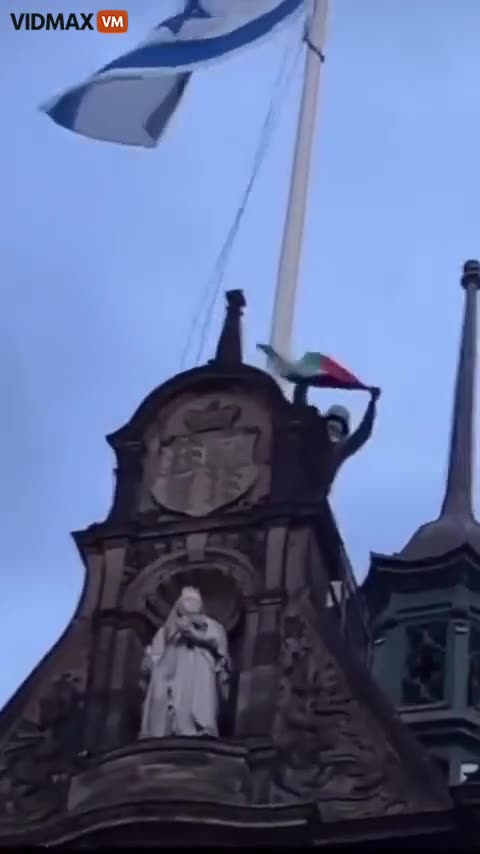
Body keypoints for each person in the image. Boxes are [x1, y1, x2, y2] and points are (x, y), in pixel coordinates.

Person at [139, 587, 230, 739]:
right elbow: (155, 657)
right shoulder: (166, 632)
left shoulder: (211, 626)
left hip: (201, 668)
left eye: (194, 603)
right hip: (173, 673)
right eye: (186, 603)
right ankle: (167, 728)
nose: (190, 607)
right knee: (173, 698)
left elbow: (219, 645)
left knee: (200, 699)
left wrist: (194, 636)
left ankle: (201, 727)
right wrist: (149, 662)